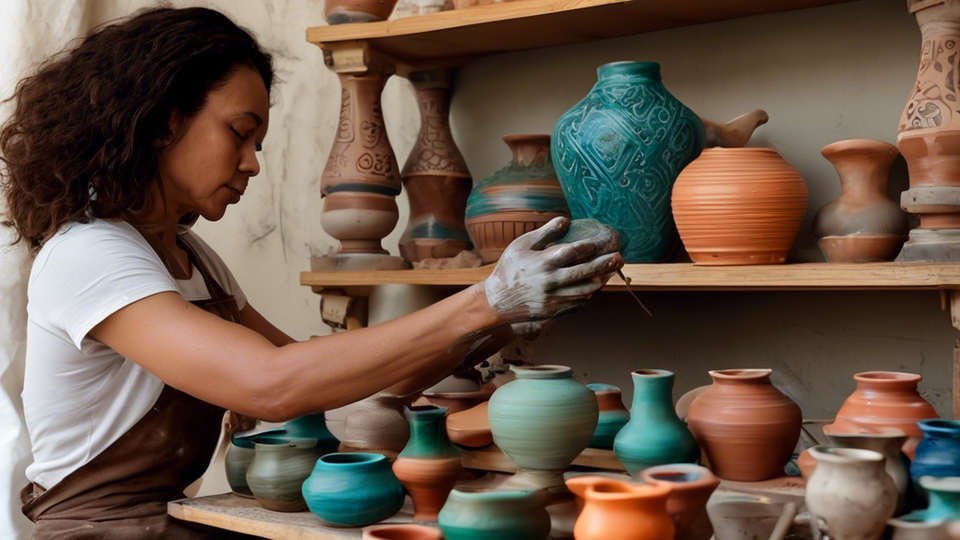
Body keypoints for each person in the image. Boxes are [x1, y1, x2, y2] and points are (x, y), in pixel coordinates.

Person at [0, 7, 623, 539]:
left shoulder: (196, 261)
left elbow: (327, 377)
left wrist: (497, 322)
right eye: (239, 134)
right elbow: (272, 385)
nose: (252, 166)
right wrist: (487, 297)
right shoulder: (89, 252)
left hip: (169, 520)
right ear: (164, 119)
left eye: (259, 145)